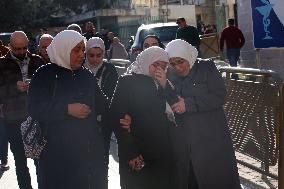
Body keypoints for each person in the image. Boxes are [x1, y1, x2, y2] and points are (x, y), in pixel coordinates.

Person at [28, 30, 107, 189]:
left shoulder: (86, 75)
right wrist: (67, 109)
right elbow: (35, 108)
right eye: (76, 50)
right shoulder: (44, 75)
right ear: (63, 49)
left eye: (82, 50)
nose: (81, 55)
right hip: (55, 156)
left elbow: (103, 105)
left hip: (86, 155)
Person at [164, 39, 241, 189]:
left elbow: (220, 96)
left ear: (188, 56)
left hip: (211, 137)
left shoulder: (206, 67)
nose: (178, 67)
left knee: (217, 177)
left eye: (181, 61)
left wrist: (189, 104)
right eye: (173, 64)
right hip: (186, 140)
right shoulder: (170, 74)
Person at [110, 46, 175, 189]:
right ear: (146, 61)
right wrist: (131, 152)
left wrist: (164, 85)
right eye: (156, 64)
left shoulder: (164, 83)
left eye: (163, 66)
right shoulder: (127, 82)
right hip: (137, 152)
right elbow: (118, 118)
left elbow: (175, 109)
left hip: (161, 153)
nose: (159, 69)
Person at [0, 31, 44, 189]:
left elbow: (48, 87)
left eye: (24, 48)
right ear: (10, 46)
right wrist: (15, 87)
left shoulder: (37, 61)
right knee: (20, 160)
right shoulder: (2, 64)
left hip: (36, 117)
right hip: (14, 118)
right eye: (17, 48)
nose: (21, 51)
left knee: (41, 159)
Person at [85, 37, 119, 174]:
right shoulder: (80, 68)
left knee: (102, 157)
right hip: (83, 120)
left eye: (99, 55)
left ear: (104, 54)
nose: (95, 59)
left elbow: (114, 94)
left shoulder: (109, 69)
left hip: (103, 120)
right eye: (91, 55)